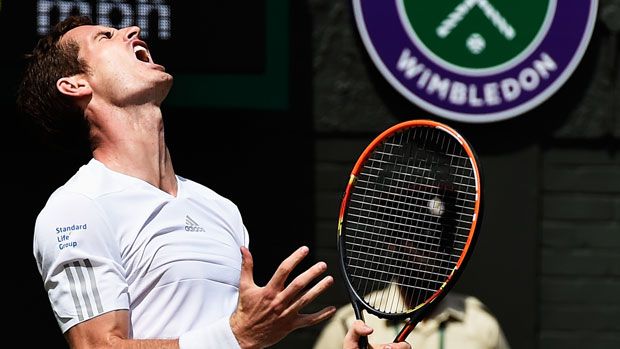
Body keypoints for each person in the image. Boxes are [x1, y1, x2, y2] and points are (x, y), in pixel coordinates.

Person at [17, 15, 412, 349]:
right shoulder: (78, 207)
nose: (133, 31)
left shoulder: (221, 209)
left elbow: (235, 342)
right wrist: (236, 334)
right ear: (75, 85)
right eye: (105, 37)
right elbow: (99, 346)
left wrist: (240, 335)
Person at [314, 283, 511, 349]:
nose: (428, 248)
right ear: (393, 242)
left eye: (440, 238)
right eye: (417, 233)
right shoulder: (350, 324)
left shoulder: (481, 324)